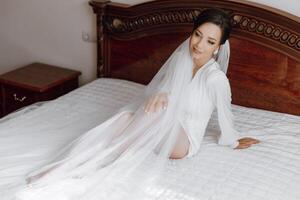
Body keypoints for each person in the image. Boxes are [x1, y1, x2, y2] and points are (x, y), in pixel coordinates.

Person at [14, 8, 259, 200]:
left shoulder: (216, 79)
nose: (199, 45)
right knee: (124, 118)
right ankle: (72, 163)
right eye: (198, 35)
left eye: (210, 41)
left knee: (151, 117)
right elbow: (164, 89)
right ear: (192, 32)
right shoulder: (183, 57)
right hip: (160, 125)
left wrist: (234, 140)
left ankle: (87, 165)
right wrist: (162, 95)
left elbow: (225, 116)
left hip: (185, 141)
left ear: (218, 48)